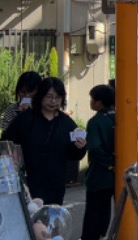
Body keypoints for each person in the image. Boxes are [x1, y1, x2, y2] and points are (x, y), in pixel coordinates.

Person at [2, 77, 86, 206]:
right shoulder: (25, 119)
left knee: (52, 220)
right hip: (27, 183)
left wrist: (80, 147)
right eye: (49, 96)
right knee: (29, 221)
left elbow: (74, 155)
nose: (53, 101)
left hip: (55, 184)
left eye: (58, 97)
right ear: (40, 95)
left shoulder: (66, 123)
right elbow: (6, 143)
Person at [68, 85, 115, 240]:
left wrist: (108, 162)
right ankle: (101, 235)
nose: (90, 102)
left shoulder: (95, 122)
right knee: (104, 206)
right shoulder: (117, 116)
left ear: (99, 102)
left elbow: (94, 147)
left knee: (93, 208)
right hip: (113, 173)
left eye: (92, 99)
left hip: (100, 171)